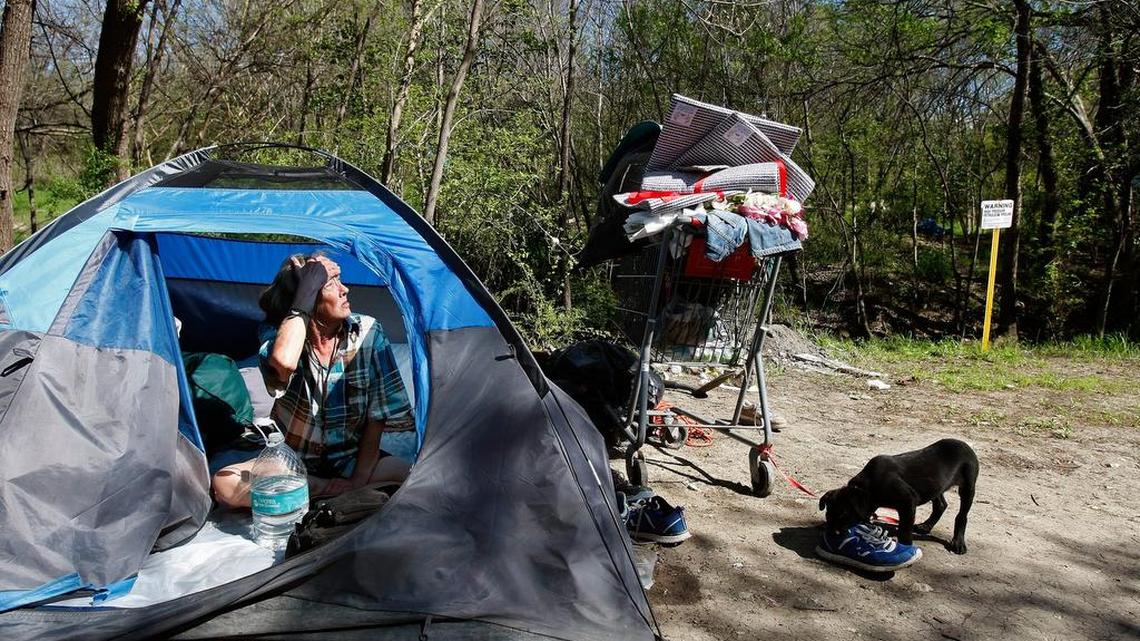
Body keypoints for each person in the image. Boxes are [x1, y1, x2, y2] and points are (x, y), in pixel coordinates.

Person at [212, 254, 413, 508]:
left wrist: (359, 479)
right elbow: (284, 363)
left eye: (340, 280)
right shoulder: (277, 334)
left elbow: (377, 417)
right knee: (225, 483)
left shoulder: (369, 333)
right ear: (306, 296)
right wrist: (305, 294)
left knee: (411, 476)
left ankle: (312, 496)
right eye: (330, 284)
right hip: (293, 466)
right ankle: (321, 491)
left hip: (353, 461)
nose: (345, 290)